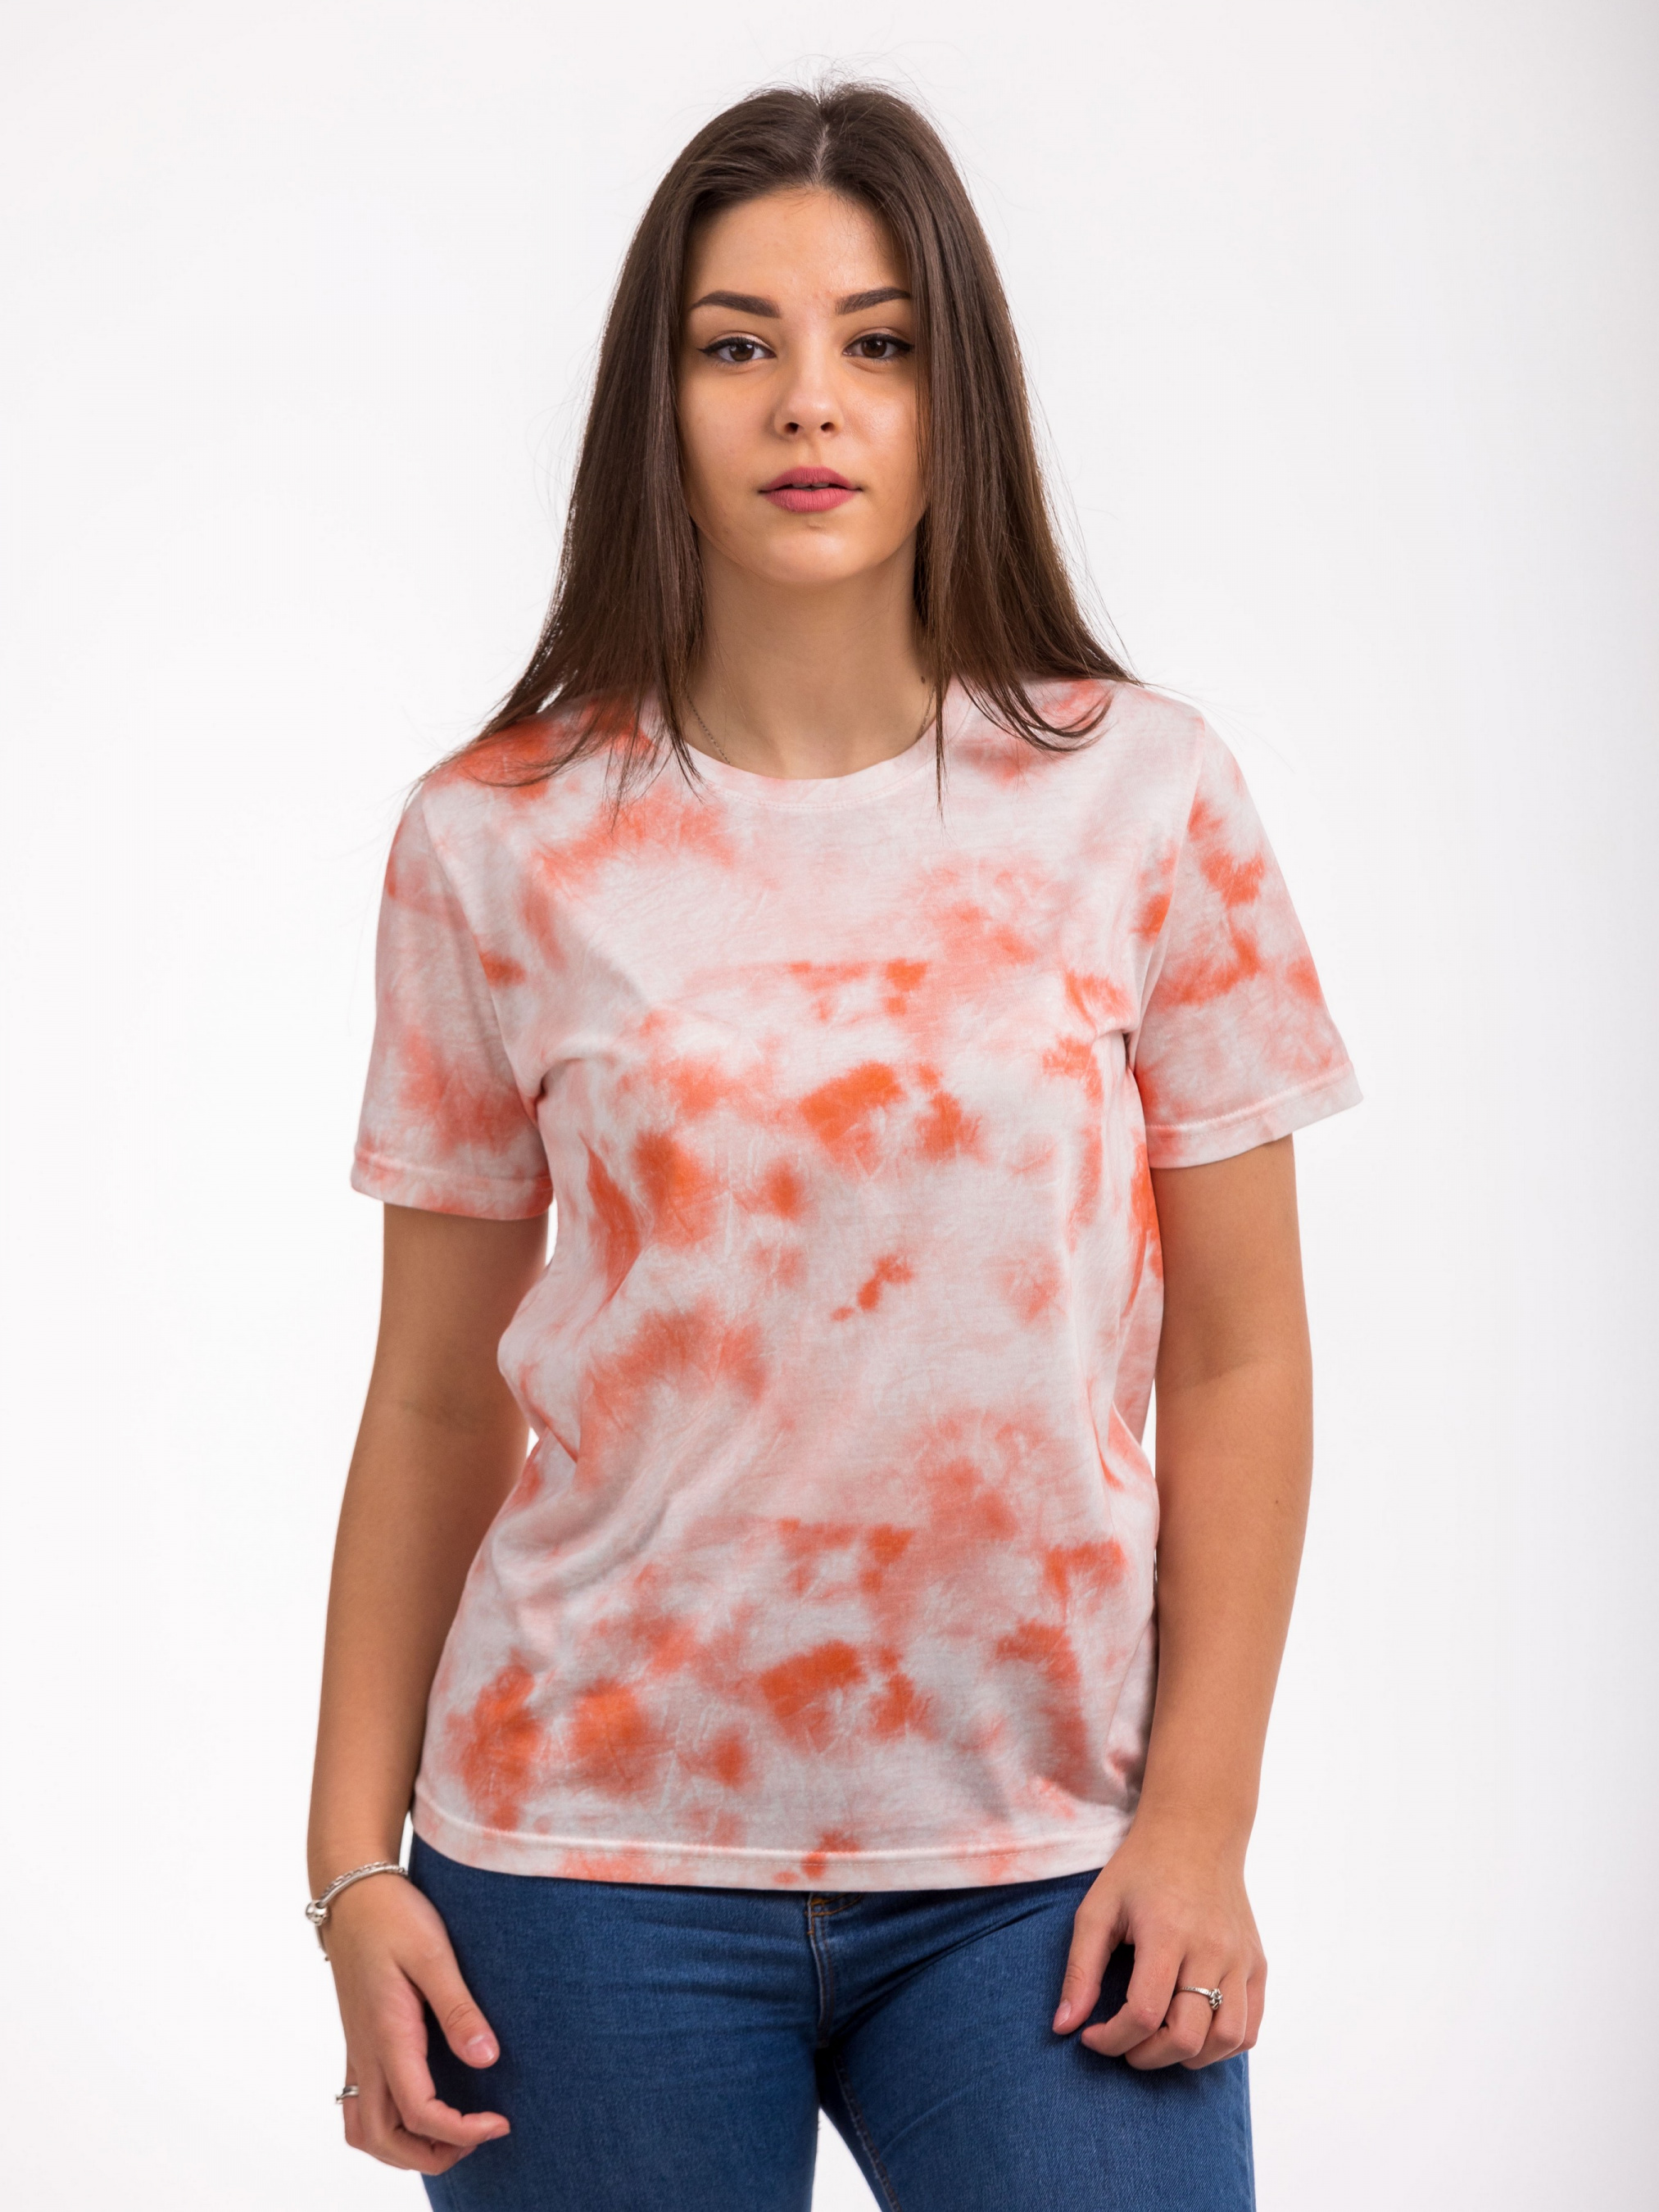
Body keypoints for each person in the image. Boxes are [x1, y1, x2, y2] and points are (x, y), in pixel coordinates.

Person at [306, 78, 1360, 2211]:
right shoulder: (494, 838)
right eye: (739, 343)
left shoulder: (1145, 797)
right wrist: (351, 1868)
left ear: (959, 391)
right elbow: (430, 1393)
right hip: (577, 1861)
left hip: (1049, 1870)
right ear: (658, 396)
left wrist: (1201, 1817)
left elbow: (1240, 1348)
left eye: (879, 342)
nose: (811, 400)